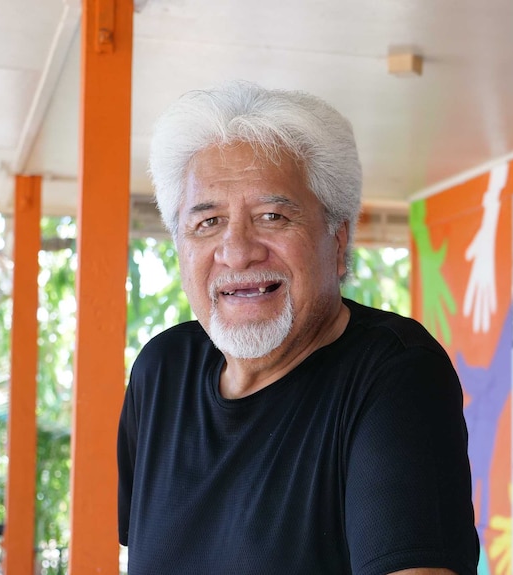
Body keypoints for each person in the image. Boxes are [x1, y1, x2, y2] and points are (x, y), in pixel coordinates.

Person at [117, 81, 479, 575]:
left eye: (272, 216)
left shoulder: (396, 377)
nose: (238, 250)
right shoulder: (161, 372)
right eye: (208, 222)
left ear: (337, 238)